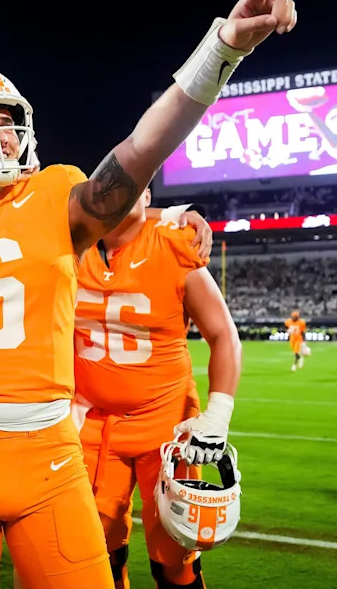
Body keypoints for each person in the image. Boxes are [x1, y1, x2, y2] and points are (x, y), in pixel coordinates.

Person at [0, 0, 297, 587]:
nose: (1, 137)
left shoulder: (55, 198)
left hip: (50, 451)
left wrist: (221, 50)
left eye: (7, 122)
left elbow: (140, 153)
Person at [72, 188, 240, 588]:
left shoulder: (172, 243)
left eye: (134, 185)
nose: (121, 193)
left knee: (174, 556)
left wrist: (217, 416)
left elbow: (223, 335)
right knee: (95, 551)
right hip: (91, 423)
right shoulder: (69, 245)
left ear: (146, 194)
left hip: (167, 423)